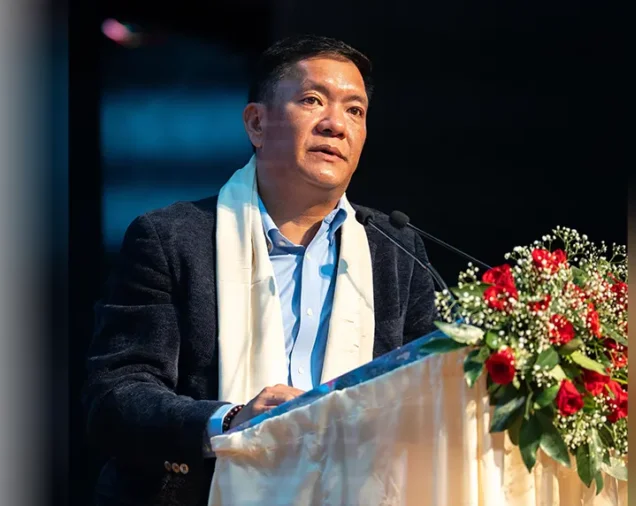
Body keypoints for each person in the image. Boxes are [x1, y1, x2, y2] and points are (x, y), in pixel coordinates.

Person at [82, 34, 438, 506]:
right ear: (256, 122)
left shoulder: (394, 250)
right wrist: (230, 422)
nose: (336, 124)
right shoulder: (170, 239)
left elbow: (430, 389)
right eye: (313, 100)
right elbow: (115, 396)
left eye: (355, 110)